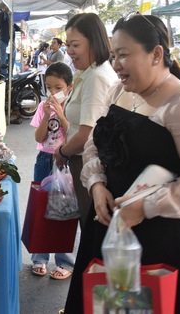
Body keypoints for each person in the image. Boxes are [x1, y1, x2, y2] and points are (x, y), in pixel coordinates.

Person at [63, 14, 180, 314]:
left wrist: (145, 207)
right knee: (103, 302)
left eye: (123, 55)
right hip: (108, 223)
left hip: (158, 235)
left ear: (156, 54)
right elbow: (95, 144)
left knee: (147, 305)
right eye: (113, 56)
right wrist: (97, 185)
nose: (116, 64)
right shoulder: (119, 91)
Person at [54, 13, 118, 231]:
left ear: (95, 42)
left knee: (91, 225)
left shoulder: (96, 77)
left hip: (87, 163)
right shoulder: (88, 73)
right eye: (68, 45)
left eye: (75, 45)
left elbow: (86, 134)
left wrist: (62, 152)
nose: (69, 51)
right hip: (82, 162)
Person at [29, 62, 74, 279]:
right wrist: (47, 115)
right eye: (49, 88)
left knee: (64, 209)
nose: (53, 93)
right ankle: (39, 258)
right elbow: (38, 137)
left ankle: (65, 261)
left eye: (58, 88)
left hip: (65, 161)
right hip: (44, 159)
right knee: (42, 208)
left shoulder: (73, 107)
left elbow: (73, 134)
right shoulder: (42, 107)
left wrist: (62, 113)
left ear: (69, 88)